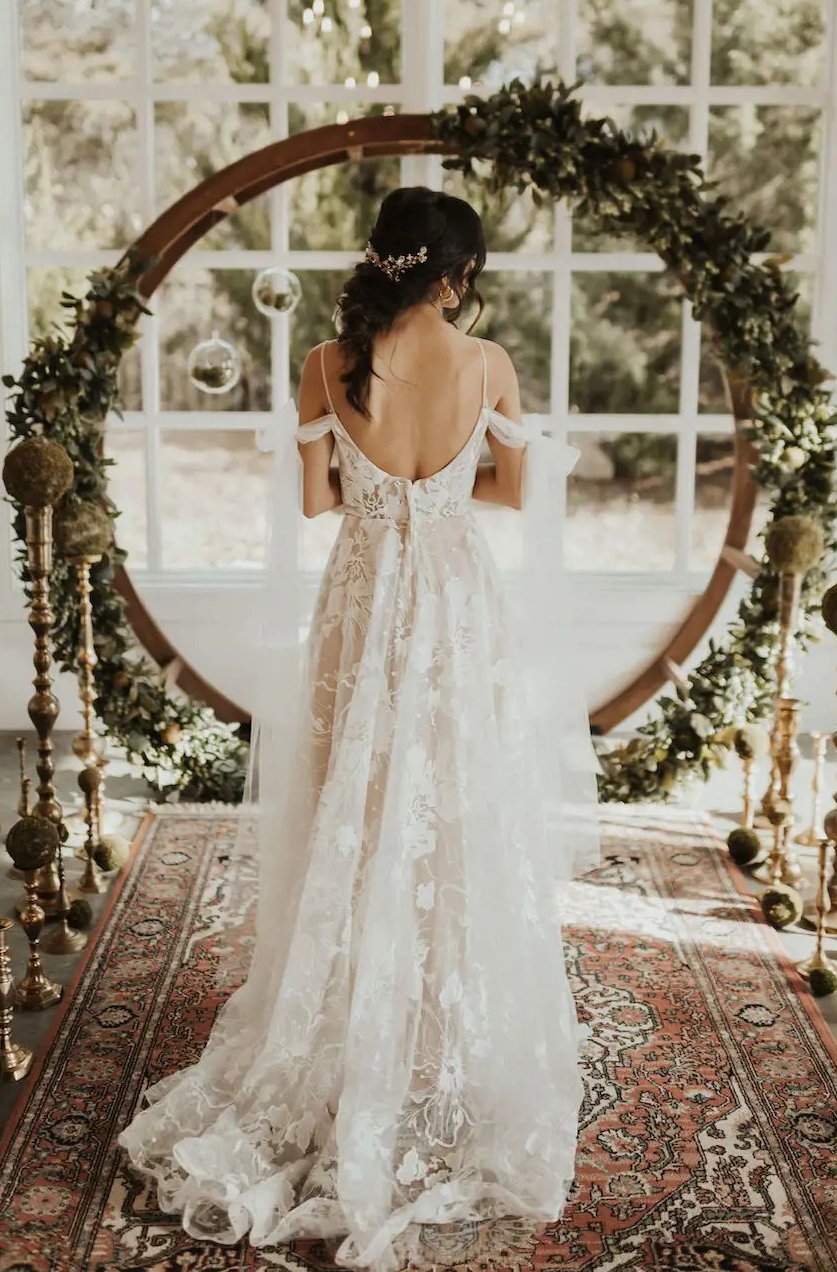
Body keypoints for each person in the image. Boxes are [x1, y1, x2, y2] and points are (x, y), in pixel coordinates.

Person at [117, 185, 602, 1272]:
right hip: (452, 603)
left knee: (356, 796)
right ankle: (432, 1019)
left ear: (382, 263)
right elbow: (515, 492)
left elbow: (313, 502)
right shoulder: (487, 366)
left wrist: (381, 486)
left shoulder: (326, 365)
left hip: (360, 597)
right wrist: (445, 483)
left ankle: (335, 1010)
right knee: (448, 796)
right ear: (453, 275)